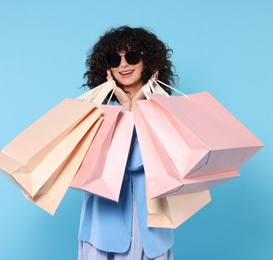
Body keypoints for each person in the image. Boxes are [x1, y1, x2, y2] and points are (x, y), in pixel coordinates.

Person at [78, 26, 177, 260]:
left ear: (148, 62)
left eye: (132, 56)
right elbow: (112, 163)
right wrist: (127, 107)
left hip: (151, 230)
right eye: (115, 59)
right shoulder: (97, 111)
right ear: (107, 69)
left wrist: (137, 104)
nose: (123, 65)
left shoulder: (165, 111)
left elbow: (142, 161)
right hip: (103, 226)